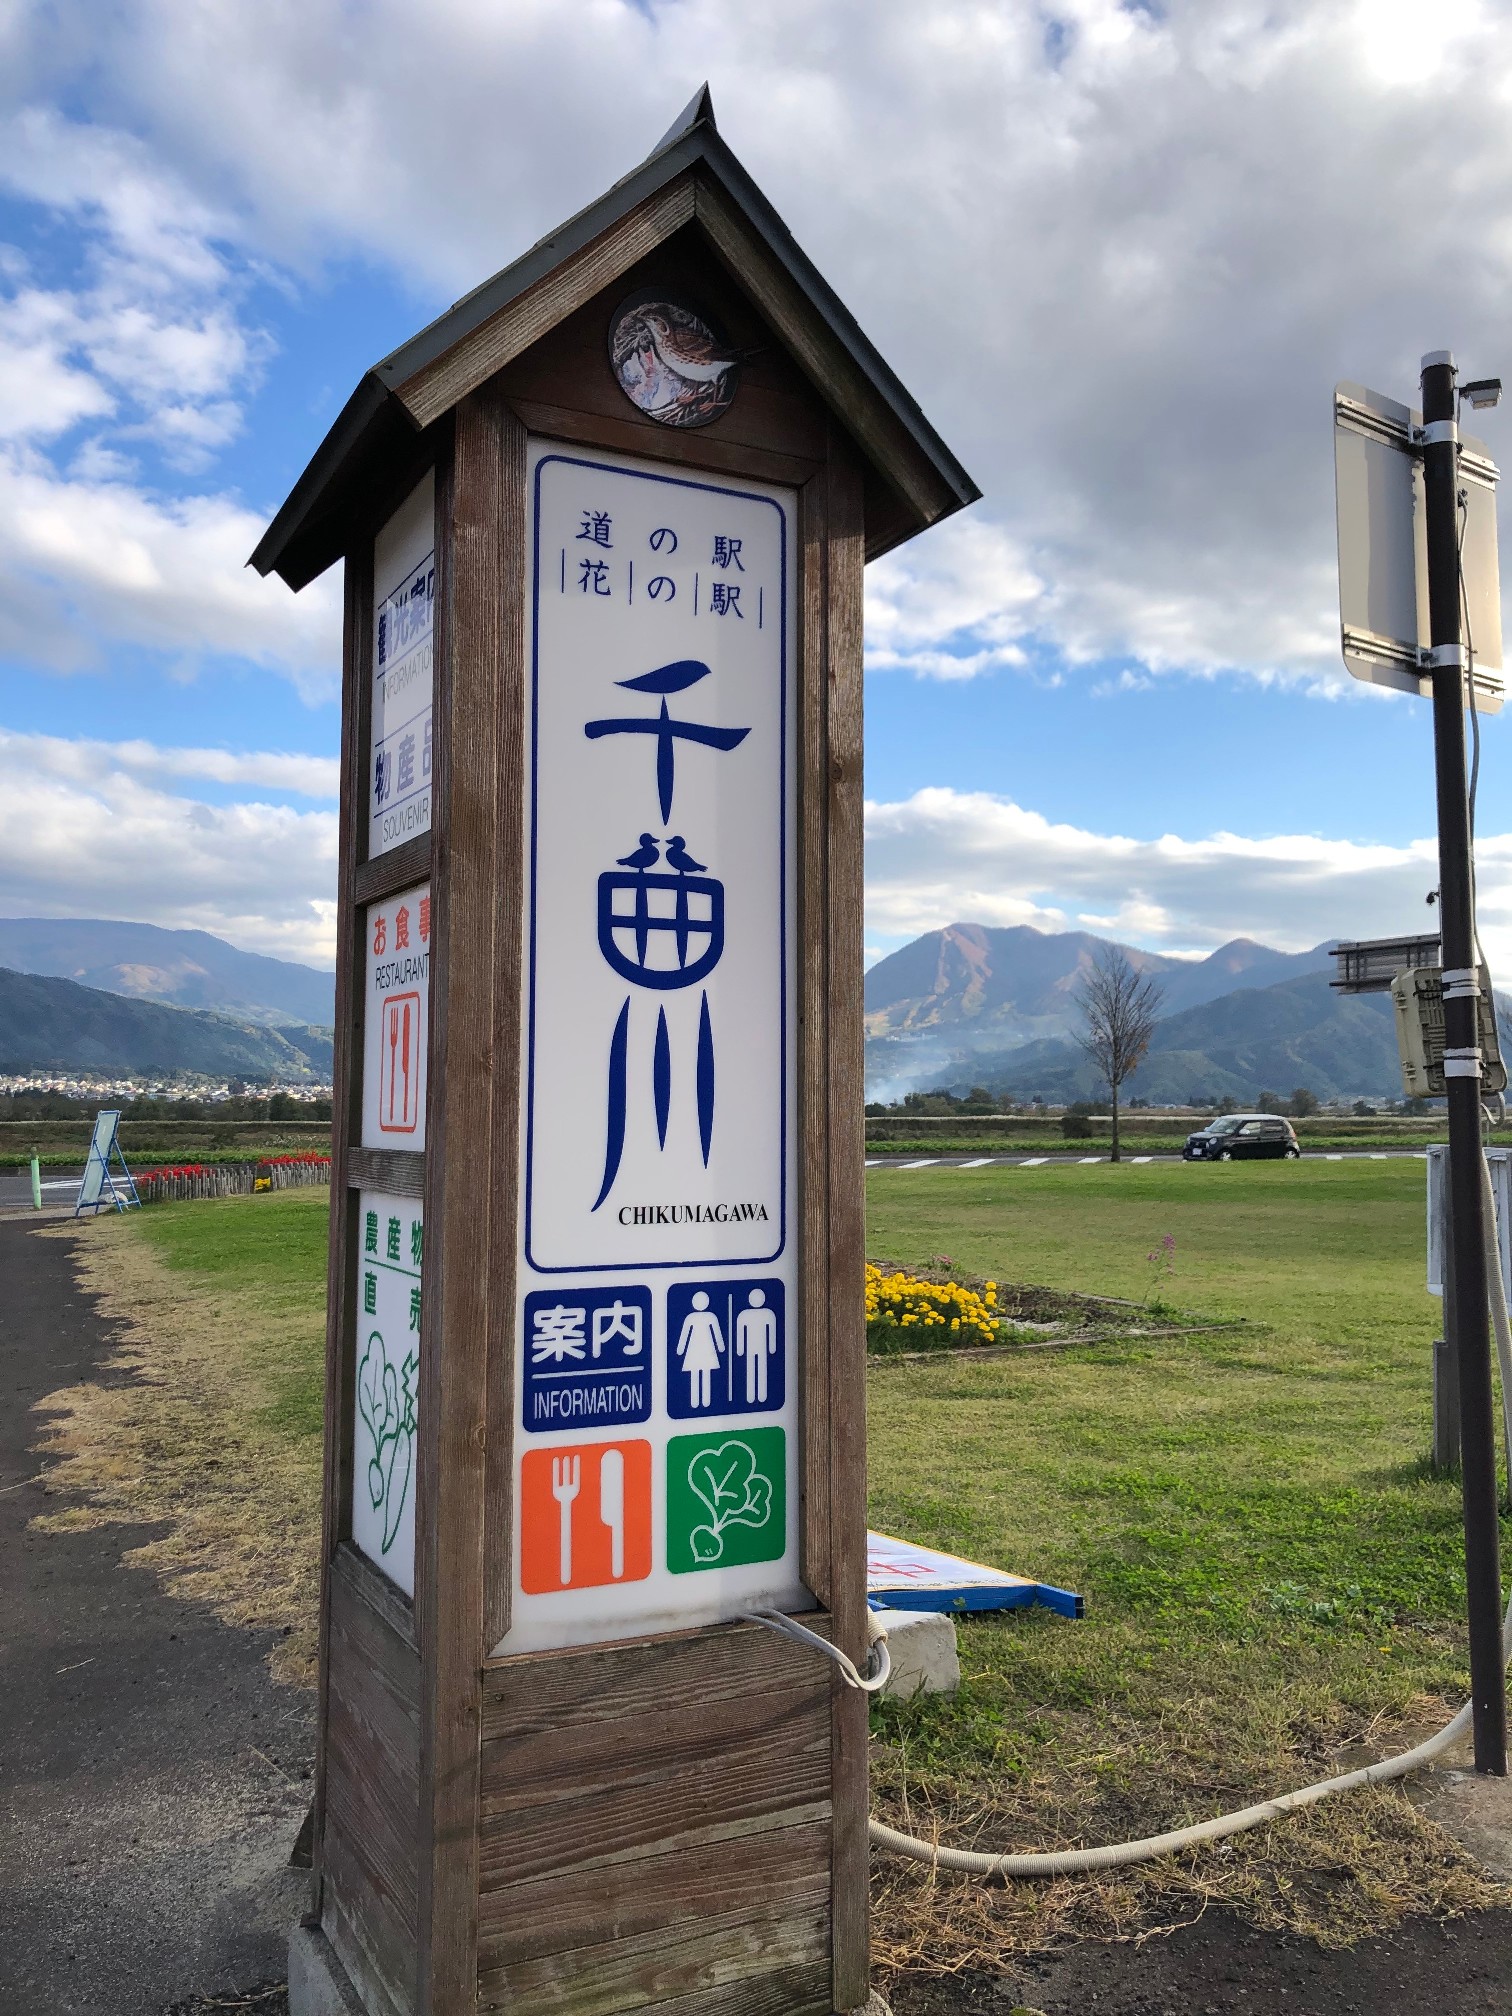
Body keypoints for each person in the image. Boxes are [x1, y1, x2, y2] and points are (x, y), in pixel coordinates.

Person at [675, 1290, 724, 1410]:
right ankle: (696, 1402)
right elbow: (685, 1334)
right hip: (698, 1349)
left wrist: (680, 1350)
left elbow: (716, 1333)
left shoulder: (708, 1317)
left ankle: (702, 1402)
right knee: (697, 1374)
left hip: (703, 1349)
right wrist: (680, 1349)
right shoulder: (692, 1318)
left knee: (702, 1374)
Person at [734, 1288, 778, 1405]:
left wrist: (772, 1347)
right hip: (753, 1348)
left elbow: (772, 1332)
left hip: (759, 1347)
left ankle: (760, 1396)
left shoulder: (767, 1314)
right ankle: (751, 1396)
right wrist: (740, 1349)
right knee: (752, 1368)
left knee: (759, 1368)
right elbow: (740, 1333)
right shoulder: (744, 1315)